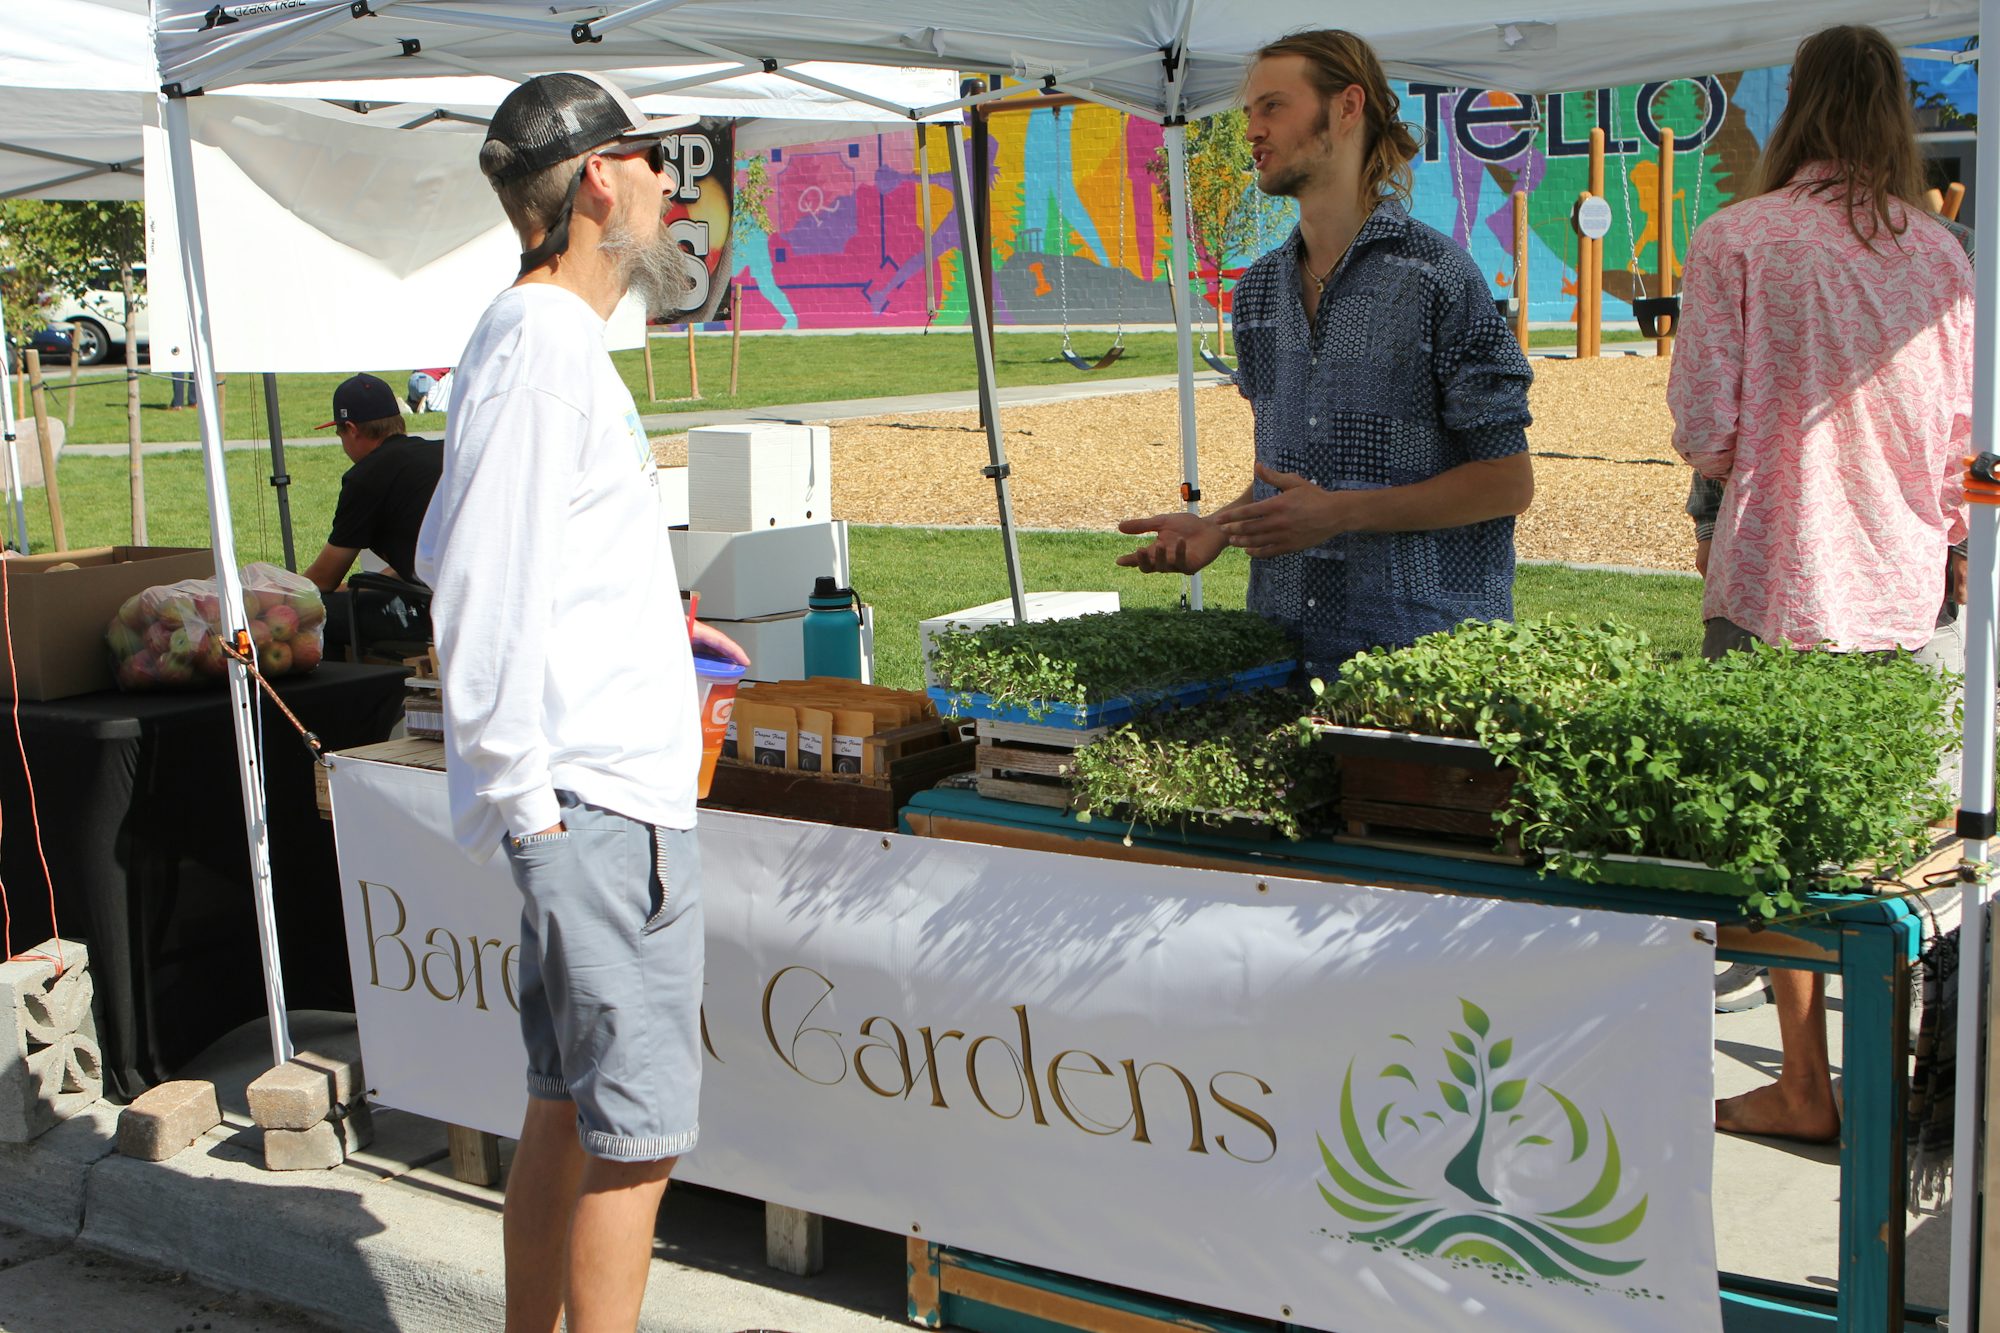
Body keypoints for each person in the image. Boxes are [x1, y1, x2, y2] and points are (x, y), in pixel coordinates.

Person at [414, 72, 748, 1332]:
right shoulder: (545, 347)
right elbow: (475, 583)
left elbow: (497, 551)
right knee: (637, 1137)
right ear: (599, 176)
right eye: (653, 160)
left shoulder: (535, 341)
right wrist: (534, 812)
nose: (669, 185)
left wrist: (649, 623)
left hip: (589, 800)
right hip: (597, 807)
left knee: (565, 1108)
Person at [1668, 23, 1973, 1143]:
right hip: (1900, 584)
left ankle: (1804, 1079)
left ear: (1793, 103)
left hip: (1775, 573)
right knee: (1883, 842)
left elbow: (1705, 428)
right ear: (1893, 110)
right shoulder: (1940, 256)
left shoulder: (1739, 237)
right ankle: (1890, 1082)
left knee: (1765, 839)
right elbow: (1963, 443)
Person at [1116, 29, 1534, 677]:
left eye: (1273, 106)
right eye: (1249, 111)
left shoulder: (1437, 277)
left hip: (1425, 666)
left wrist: (1342, 515)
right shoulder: (1258, 293)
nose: (1251, 130)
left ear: (1347, 107)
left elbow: (1507, 482)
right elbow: (1293, 473)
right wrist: (1220, 529)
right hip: (1284, 654)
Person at [303, 373, 442, 595]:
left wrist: (280, 595)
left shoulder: (365, 478)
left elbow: (323, 580)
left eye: (340, 434)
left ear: (352, 429)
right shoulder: (441, 451)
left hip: (444, 598)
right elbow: (424, 554)